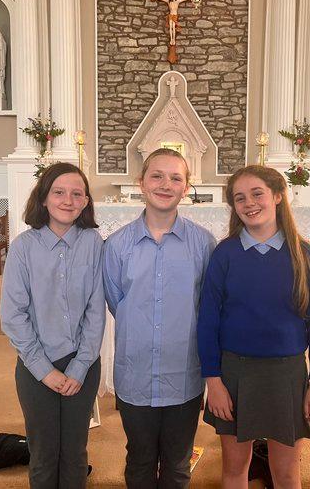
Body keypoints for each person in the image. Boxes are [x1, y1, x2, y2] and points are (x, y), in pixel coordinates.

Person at [197, 165, 310, 488]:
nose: (249, 203)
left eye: (257, 194)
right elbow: (208, 320)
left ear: (278, 196)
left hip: (286, 373)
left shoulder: (303, 255)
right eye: (240, 198)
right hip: (234, 373)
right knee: (234, 468)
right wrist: (213, 381)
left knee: (286, 472)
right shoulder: (225, 254)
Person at [103, 148, 217, 488]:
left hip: (182, 375)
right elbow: (117, 303)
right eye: (157, 176)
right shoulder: (117, 245)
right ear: (141, 183)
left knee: (178, 463)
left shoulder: (203, 244)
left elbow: (207, 306)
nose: (165, 184)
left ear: (186, 188)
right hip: (135, 374)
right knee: (139, 459)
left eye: (175, 178)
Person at [0, 162, 105, 488]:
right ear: (44, 198)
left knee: (75, 453)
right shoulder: (23, 247)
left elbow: (96, 311)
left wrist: (80, 366)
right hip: (36, 365)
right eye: (59, 192)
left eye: (77, 194)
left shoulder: (93, 243)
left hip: (82, 364)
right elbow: (13, 315)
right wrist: (44, 370)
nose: (68, 200)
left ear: (85, 202)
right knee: (43, 454)